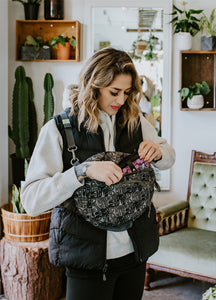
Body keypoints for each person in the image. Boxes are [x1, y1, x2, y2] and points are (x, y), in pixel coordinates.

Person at [21, 47, 175, 300]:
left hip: (134, 253)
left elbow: (169, 157)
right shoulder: (58, 129)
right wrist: (81, 172)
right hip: (85, 260)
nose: (121, 100)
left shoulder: (135, 121)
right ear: (93, 86)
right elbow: (31, 201)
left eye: (127, 92)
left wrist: (157, 151)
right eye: (114, 92)